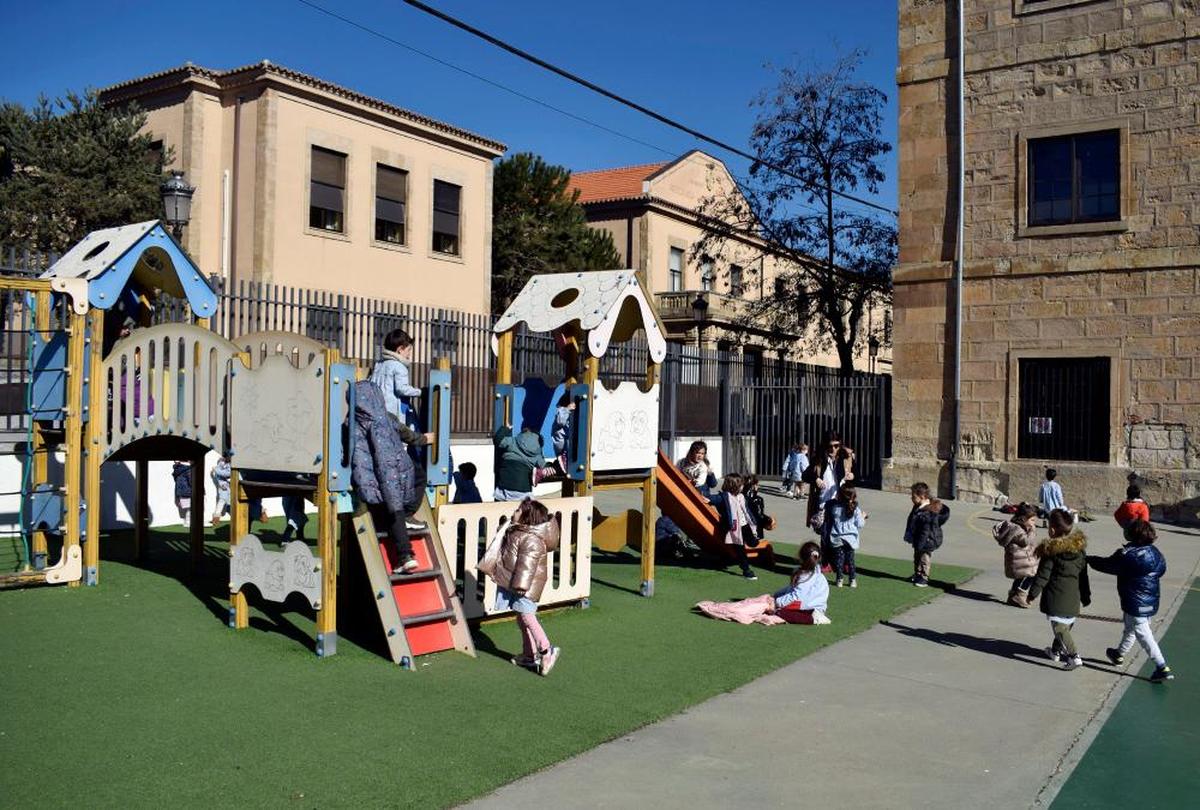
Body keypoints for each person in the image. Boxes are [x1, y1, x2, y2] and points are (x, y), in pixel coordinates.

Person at [478, 498, 562, 675]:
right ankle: (529, 655)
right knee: (521, 617)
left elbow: (527, 566)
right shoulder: (518, 531)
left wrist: (520, 586)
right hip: (517, 583)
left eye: (517, 510)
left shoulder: (531, 539)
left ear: (526, 517)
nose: (514, 512)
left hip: (526, 586)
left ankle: (546, 650)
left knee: (527, 616)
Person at [351, 381, 427, 575]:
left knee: (392, 508)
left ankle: (405, 555)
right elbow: (408, 435)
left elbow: (350, 452)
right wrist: (425, 439)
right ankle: (408, 514)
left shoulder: (353, 424)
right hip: (402, 471)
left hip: (376, 478)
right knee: (418, 479)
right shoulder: (388, 417)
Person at [1088, 519, 1173, 682]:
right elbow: (1161, 570)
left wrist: (1089, 559)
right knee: (1130, 629)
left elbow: (1108, 565)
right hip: (1151, 600)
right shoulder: (1155, 552)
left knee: (1143, 634)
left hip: (1136, 602)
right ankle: (1118, 654)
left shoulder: (1127, 555)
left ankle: (1162, 667)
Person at [695, 541, 831, 626]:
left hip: (811, 609)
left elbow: (796, 596)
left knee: (778, 612)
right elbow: (792, 590)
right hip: (804, 604)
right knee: (771, 605)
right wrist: (777, 595)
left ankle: (816, 619)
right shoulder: (807, 573)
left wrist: (777, 603)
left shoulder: (807, 576)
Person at [1027, 509, 1091, 671]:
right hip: (1073, 599)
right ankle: (1055, 651)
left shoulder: (1051, 552)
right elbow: (1084, 576)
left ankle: (1074, 656)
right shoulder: (1080, 551)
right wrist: (1086, 595)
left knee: (1060, 628)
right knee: (1066, 624)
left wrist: (1032, 594)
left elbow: (1042, 576)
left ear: (1052, 530)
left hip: (1056, 598)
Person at [802, 430, 854, 539]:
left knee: (840, 537)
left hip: (841, 503)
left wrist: (852, 476)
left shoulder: (846, 457)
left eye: (836, 446)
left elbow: (857, 477)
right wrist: (815, 479)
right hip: (823, 504)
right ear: (825, 445)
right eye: (830, 446)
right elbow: (805, 476)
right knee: (825, 537)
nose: (833, 449)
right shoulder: (819, 459)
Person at [708, 473, 757, 581]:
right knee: (740, 550)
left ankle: (752, 540)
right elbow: (713, 499)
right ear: (734, 486)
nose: (742, 487)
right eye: (741, 485)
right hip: (734, 529)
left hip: (745, 525)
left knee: (753, 542)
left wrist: (751, 483)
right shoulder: (724, 497)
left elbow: (747, 508)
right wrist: (707, 499)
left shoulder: (741, 496)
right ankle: (746, 570)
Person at [369, 328, 421, 421]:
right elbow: (401, 389)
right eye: (408, 350)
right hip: (392, 412)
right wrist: (420, 392)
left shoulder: (379, 364)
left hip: (377, 409)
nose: (409, 354)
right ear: (400, 350)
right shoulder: (399, 366)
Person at [903, 482, 950, 587]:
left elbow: (926, 530)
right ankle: (918, 574)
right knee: (917, 557)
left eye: (913, 496)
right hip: (918, 537)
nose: (911, 498)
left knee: (924, 558)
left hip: (928, 539)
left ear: (922, 496)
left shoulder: (928, 511)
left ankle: (924, 577)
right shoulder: (917, 507)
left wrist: (920, 543)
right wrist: (909, 532)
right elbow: (911, 519)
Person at [993, 502, 1039, 608]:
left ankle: (1013, 595)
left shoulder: (1017, 528)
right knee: (1031, 576)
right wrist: (1032, 530)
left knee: (1020, 578)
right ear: (1023, 519)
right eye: (1032, 520)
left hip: (1020, 561)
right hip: (1020, 561)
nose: (1034, 523)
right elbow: (1026, 541)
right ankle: (1020, 595)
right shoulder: (1017, 530)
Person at [826, 485, 866, 588]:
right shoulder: (856, 509)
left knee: (839, 560)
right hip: (851, 539)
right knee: (850, 560)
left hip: (837, 537)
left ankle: (839, 579)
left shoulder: (835, 509)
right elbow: (860, 524)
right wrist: (863, 516)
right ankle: (852, 580)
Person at [493, 424, 545, 501]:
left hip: (504, 485)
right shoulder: (537, 453)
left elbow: (498, 440)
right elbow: (544, 465)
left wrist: (505, 428)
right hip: (523, 488)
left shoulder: (513, 441)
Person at [743, 474, 774, 543]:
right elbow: (759, 515)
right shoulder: (758, 499)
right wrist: (768, 520)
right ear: (754, 486)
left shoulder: (739, 497)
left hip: (741, 530)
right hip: (755, 532)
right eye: (757, 485)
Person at [210, 454, 232, 526]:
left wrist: (215, 470)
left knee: (228, 502)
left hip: (228, 486)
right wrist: (216, 470)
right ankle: (216, 518)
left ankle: (235, 516)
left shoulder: (226, 464)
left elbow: (226, 474)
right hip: (224, 486)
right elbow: (224, 474)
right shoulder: (222, 464)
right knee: (222, 500)